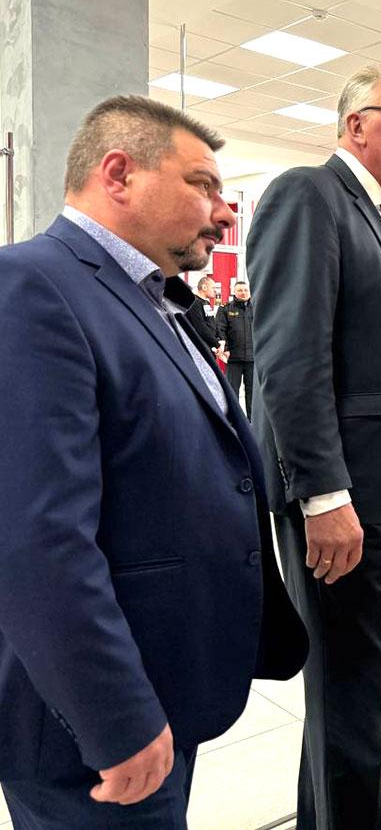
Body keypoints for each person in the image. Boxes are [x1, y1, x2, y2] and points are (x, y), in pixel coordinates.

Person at [0, 95, 306, 828]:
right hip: (87, 721)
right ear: (118, 174)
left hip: (167, 674)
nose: (225, 212)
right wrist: (115, 718)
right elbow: (37, 540)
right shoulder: (33, 287)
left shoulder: (153, 298)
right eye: (202, 185)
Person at [248, 63, 381, 830]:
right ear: (355, 125)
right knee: (353, 700)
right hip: (346, 499)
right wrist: (323, 495)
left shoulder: (380, 218)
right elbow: (290, 355)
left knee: (350, 696)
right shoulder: (310, 195)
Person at [216, 280, 254, 418]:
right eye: (240, 290)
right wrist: (225, 348)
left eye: (245, 290)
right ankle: (234, 421)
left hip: (253, 358)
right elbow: (220, 330)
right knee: (232, 392)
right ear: (234, 292)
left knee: (253, 393)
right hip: (233, 358)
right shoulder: (225, 309)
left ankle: (252, 421)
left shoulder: (255, 308)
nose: (243, 293)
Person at [183, 274, 219, 350]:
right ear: (204, 287)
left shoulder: (207, 303)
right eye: (213, 288)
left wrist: (219, 340)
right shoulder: (194, 302)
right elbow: (200, 327)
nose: (215, 290)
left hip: (210, 345)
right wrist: (216, 344)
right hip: (200, 346)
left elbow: (212, 323)